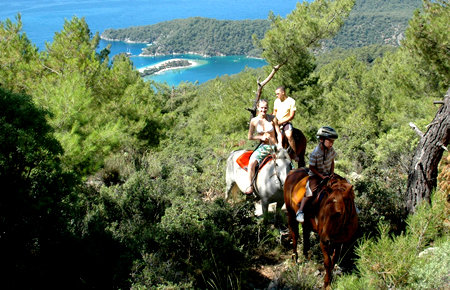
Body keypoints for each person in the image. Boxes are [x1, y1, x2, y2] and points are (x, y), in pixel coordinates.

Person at [296, 126, 338, 222]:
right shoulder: (315, 153)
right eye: (330, 141)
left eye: (333, 141)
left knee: (343, 183)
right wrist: (321, 176)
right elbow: (312, 167)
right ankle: (300, 211)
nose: (332, 143)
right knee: (310, 191)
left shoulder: (331, 150)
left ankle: (353, 207)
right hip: (316, 175)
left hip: (328, 173)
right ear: (322, 140)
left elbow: (332, 162)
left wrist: (331, 173)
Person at [245, 99, 281, 195]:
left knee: (287, 163)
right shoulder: (254, 121)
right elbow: (250, 136)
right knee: (252, 162)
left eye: (265, 108)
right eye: (261, 108)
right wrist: (261, 137)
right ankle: (250, 185)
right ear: (258, 107)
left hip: (274, 146)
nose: (263, 110)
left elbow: (279, 133)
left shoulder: (273, 118)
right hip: (264, 147)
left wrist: (280, 144)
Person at [273, 86, 298, 161]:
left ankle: (294, 154)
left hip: (286, 122)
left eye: (278, 94)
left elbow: (291, 116)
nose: (277, 95)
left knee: (289, 135)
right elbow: (274, 113)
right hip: (276, 122)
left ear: (283, 92)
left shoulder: (291, 101)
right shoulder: (276, 101)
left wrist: (282, 121)